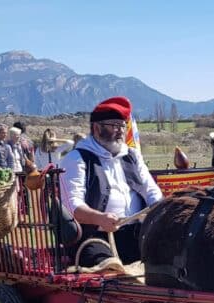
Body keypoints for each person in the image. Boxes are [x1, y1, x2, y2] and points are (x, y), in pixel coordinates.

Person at [59, 96, 162, 268]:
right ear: (97, 128)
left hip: (135, 232)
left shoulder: (132, 155)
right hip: (93, 237)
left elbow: (151, 191)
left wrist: (159, 209)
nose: (121, 131)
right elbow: (72, 206)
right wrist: (100, 218)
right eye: (114, 125)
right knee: (109, 268)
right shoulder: (77, 158)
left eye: (123, 125)